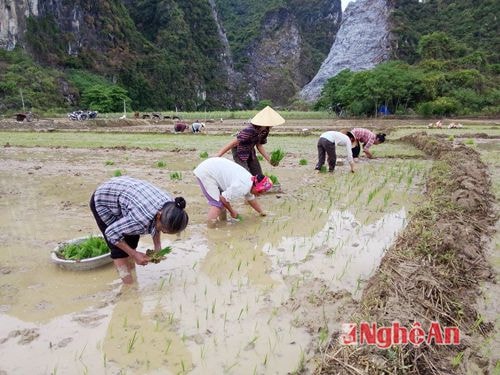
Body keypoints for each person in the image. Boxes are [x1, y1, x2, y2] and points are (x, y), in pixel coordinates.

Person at [90, 176, 189, 284]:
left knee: (132, 239)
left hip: (126, 194)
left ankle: (131, 269)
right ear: (159, 216)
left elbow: (157, 225)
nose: (163, 232)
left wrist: (157, 245)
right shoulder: (140, 219)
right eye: (164, 230)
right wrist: (134, 254)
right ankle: (129, 288)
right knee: (119, 250)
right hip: (104, 201)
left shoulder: (173, 207)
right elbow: (111, 233)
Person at [193, 157, 273, 227]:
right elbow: (223, 198)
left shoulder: (250, 181)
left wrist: (261, 212)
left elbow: (251, 199)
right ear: (256, 186)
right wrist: (232, 211)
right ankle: (211, 230)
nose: (260, 194)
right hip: (207, 172)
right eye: (260, 191)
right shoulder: (242, 186)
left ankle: (222, 222)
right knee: (217, 204)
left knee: (222, 204)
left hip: (213, 168)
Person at [217, 106, 285, 175]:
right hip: (239, 151)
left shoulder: (265, 131)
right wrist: (218, 156)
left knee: (258, 174)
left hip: (250, 151)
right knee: (245, 175)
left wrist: (269, 160)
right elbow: (233, 143)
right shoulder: (250, 130)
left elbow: (259, 145)